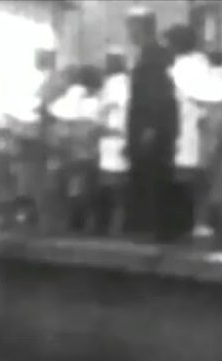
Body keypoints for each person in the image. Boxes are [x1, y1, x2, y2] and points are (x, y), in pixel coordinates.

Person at [165, 23, 222, 244]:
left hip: (189, 128)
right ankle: (200, 223)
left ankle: (195, 223)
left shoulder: (183, 68)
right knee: (199, 179)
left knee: (191, 180)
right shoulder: (201, 65)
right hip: (195, 129)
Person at [124, 7, 178, 242]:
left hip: (150, 129)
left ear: (142, 27)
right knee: (149, 176)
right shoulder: (150, 54)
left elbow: (156, 94)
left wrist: (150, 128)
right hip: (150, 127)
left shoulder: (153, 56)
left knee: (152, 176)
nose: (128, 32)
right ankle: (152, 227)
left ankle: (155, 229)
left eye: (131, 26)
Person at [49, 65, 103, 235]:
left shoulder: (60, 103)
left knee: (68, 189)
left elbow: (55, 129)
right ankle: (86, 222)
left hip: (67, 154)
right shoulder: (96, 103)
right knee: (88, 189)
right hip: (88, 154)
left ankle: (71, 222)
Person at [97, 49, 130, 237]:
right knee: (120, 187)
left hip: (111, 138)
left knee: (110, 186)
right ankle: (118, 226)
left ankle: (111, 227)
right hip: (121, 138)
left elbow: (102, 113)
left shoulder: (111, 85)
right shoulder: (129, 83)